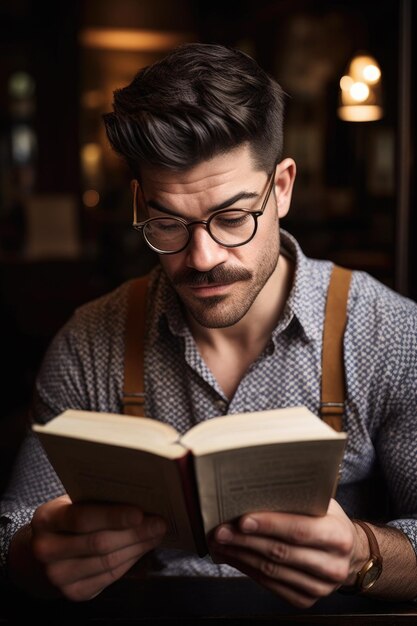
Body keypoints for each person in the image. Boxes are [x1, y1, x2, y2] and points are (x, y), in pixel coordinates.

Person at [1, 42, 417, 609]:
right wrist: (32, 553)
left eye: (232, 217)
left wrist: (364, 555)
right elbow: (12, 531)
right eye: (167, 222)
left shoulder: (387, 333)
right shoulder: (88, 341)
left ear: (283, 187)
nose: (200, 257)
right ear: (139, 201)